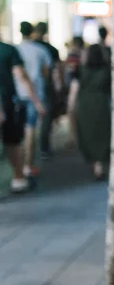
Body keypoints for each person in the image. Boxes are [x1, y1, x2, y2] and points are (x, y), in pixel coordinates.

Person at [1, 34, 45, 194]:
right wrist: (37, 102)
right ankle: (18, 177)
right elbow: (21, 75)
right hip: (8, 101)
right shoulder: (8, 50)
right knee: (13, 141)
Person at [68, 44, 111, 180]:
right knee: (102, 136)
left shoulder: (80, 71)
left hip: (85, 107)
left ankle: (96, 166)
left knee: (89, 136)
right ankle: (100, 166)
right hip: (102, 106)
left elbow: (73, 93)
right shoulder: (107, 71)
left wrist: (70, 110)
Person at [15, 22, 52, 180]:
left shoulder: (15, 50)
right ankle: (28, 165)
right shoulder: (40, 50)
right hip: (35, 93)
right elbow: (46, 73)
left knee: (17, 133)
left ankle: (20, 166)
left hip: (16, 94)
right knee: (30, 129)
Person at [32, 22, 63, 159]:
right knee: (46, 118)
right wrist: (59, 86)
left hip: (27, 88)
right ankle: (43, 147)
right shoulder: (50, 49)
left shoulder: (27, 48)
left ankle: (31, 150)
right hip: (45, 87)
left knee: (30, 121)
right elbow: (56, 70)